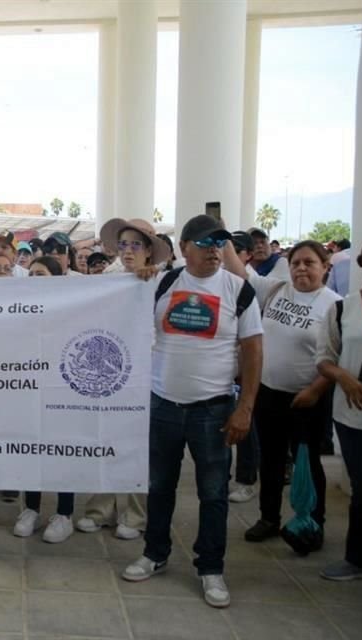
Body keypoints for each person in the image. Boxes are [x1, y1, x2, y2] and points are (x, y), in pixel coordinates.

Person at [122, 215, 263, 609]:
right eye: (204, 243)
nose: (214, 250)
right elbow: (125, 312)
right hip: (163, 404)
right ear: (184, 248)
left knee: (214, 494)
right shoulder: (163, 283)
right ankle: (155, 553)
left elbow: (253, 351)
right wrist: (140, 276)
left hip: (214, 410)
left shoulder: (239, 290)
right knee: (159, 488)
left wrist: (244, 409)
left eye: (219, 242)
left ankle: (211, 568)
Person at [221, 240, 339, 550]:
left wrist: (315, 390)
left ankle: (313, 522)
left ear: (325, 267)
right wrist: (224, 242)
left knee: (308, 463)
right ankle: (269, 518)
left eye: (309, 263)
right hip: (268, 393)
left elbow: (337, 357)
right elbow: (240, 274)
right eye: (296, 262)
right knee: (271, 459)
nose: (301, 268)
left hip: (308, 398)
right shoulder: (276, 290)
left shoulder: (333, 304)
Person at [76, 218, 172, 540]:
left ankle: (134, 514)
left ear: (148, 250)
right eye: (124, 245)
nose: (128, 251)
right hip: (109, 373)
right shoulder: (106, 280)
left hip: (145, 373)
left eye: (136, 245)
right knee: (104, 439)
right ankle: (99, 508)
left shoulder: (163, 281)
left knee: (138, 445)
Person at [315, 236, 362, 580]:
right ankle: (359, 558)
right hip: (353, 414)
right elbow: (324, 359)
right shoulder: (343, 308)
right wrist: (345, 378)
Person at [11, 255, 77, 542]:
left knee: (62, 449)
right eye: (32, 274)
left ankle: (64, 514)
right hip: (28, 388)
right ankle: (32, 509)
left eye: (41, 274)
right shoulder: (20, 309)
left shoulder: (71, 309)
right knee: (31, 448)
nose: (35, 279)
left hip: (61, 389)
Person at [224, 230, 262, 505]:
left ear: (247, 255)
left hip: (248, 368)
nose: (227, 254)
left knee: (248, 426)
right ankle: (227, 476)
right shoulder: (220, 282)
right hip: (227, 369)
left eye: (234, 250)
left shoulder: (254, 283)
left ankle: (247, 479)